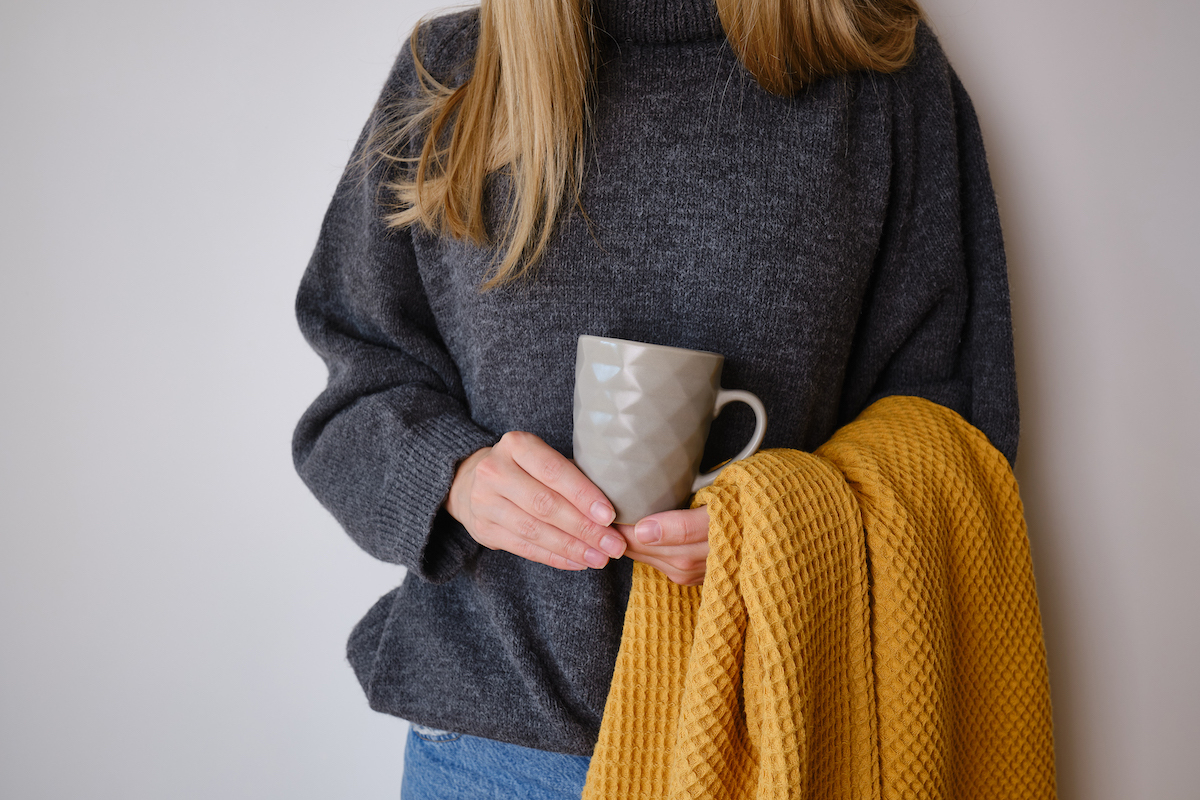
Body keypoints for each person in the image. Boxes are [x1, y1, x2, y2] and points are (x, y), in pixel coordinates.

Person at [293, 0, 1019, 797]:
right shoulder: (455, 69)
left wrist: (774, 528)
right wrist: (454, 479)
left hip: (780, 738)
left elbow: (953, 425)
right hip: (491, 758)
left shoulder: (879, 70)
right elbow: (354, 387)